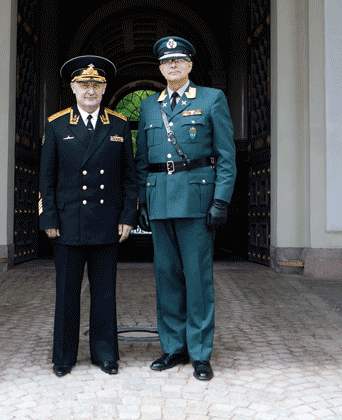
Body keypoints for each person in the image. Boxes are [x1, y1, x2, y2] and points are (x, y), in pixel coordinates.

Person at [135, 36, 237, 381]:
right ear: (160, 68)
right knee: (166, 280)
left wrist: (220, 200)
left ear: (190, 65)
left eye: (179, 60)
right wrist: (141, 201)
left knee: (197, 280)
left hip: (196, 201)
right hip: (160, 200)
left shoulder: (211, 99)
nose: (172, 66)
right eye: (166, 62)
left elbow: (225, 156)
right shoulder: (150, 106)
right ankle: (173, 347)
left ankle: (200, 353)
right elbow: (141, 161)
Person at [39, 55, 138, 377]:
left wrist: (127, 216)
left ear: (105, 88)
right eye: (84, 84)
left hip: (106, 222)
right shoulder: (56, 125)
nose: (90, 90)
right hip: (67, 222)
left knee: (105, 293)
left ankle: (106, 354)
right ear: (73, 88)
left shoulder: (119, 124)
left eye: (97, 84)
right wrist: (49, 219)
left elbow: (129, 177)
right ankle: (63, 357)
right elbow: (47, 177)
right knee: (66, 294)